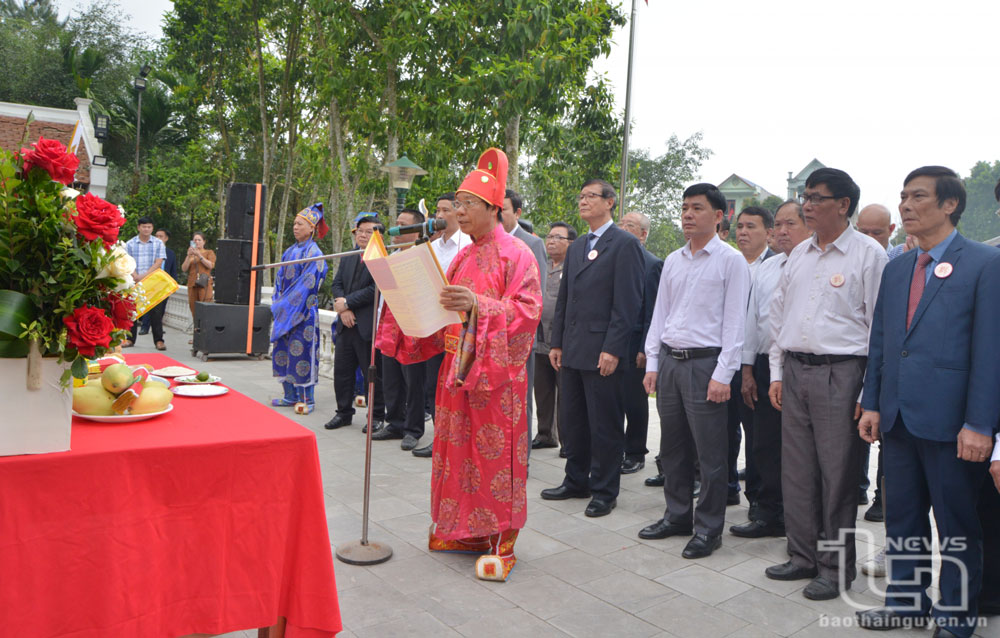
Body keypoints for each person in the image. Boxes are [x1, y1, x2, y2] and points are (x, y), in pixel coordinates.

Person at [375, 148, 541, 581]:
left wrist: (479, 306)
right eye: (458, 205)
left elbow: (527, 311)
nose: (459, 212)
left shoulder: (517, 254)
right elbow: (447, 308)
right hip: (457, 371)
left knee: (492, 455)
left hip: (496, 379)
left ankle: (502, 537)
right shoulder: (465, 256)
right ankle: (466, 529)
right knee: (458, 453)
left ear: (493, 208)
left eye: (468, 205)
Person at [855, 166, 1000, 636]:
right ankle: (906, 603)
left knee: (957, 527)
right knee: (901, 520)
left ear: (950, 205)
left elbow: (989, 353)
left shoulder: (983, 263)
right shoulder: (897, 267)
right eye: (903, 196)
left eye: (918, 197)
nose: (906, 205)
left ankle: (956, 618)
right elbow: (882, 342)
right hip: (897, 420)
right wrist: (873, 402)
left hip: (953, 424)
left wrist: (981, 424)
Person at [764, 168, 888, 600]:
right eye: (805, 197)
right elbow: (780, 316)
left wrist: (868, 391)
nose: (807, 205)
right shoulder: (799, 254)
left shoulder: (868, 255)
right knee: (796, 471)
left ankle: (835, 569)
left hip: (842, 373)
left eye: (817, 198)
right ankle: (802, 556)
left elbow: (879, 331)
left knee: (837, 478)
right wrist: (777, 373)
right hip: (796, 370)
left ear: (843, 205)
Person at [636, 183, 750, 560]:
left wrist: (723, 374)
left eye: (697, 208)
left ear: (719, 217)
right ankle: (677, 515)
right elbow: (660, 316)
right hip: (670, 362)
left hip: (706, 365)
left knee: (711, 453)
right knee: (673, 446)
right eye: (684, 207)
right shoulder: (673, 259)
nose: (687, 214)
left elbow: (736, 323)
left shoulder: (730, 261)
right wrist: (653, 362)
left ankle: (708, 528)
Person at [541, 179, 643, 519]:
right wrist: (556, 342)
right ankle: (576, 479)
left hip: (603, 351)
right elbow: (566, 297)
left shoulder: (624, 244)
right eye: (581, 196)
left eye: (591, 197)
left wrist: (613, 348)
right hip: (572, 348)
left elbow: (627, 303)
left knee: (604, 424)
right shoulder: (579, 243)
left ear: (610, 202)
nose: (583, 201)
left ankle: (603, 489)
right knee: (573, 421)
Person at [730, 201, 811, 539]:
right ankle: (767, 512)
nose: (781, 231)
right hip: (763, 364)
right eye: (778, 224)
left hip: (802, 364)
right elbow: (753, 320)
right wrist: (748, 369)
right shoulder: (767, 267)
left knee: (798, 449)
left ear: (809, 226)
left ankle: (801, 517)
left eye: (789, 224)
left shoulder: (812, 264)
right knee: (763, 443)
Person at [411, 193, 471, 458]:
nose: (440, 215)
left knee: (456, 386)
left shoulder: (469, 245)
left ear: (459, 212)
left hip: (460, 328)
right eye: (437, 210)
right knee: (433, 384)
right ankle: (439, 438)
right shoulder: (431, 247)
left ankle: (457, 442)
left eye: (446, 210)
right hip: (433, 327)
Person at [373, 208, 432, 451]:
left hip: (412, 326)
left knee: (413, 381)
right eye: (395, 223)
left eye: (402, 224)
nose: (395, 229)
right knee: (390, 378)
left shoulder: (423, 255)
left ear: (416, 230)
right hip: (390, 323)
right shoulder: (390, 254)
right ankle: (394, 422)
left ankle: (413, 428)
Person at [727, 206, 775, 507]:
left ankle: (759, 500)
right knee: (723, 430)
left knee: (758, 436)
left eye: (751, 227)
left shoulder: (775, 266)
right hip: (723, 360)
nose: (742, 232)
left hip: (758, 362)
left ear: (768, 233)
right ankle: (726, 487)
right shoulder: (729, 263)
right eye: (740, 227)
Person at [324, 215, 386, 430]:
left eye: (369, 231)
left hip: (367, 325)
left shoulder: (381, 258)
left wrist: (348, 302)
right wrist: (344, 309)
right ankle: (343, 412)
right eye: (360, 230)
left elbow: (375, 288)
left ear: (379, 236)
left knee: (372, 374)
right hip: (345, 323)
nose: (362, 234)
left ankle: (376, 416)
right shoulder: (350, 256)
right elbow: (337, 282)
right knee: (342, 372)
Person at [270, 203, 329, 415]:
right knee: (283, 353)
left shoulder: (315, 253)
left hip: (303, 314)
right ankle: (289, 395)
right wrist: (277, 302)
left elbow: (308, 285)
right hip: (284, 312)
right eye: (294, 223)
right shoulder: (289, 251)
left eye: (300, 224)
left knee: (302, 354)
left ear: (311, 228)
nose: (295, 227)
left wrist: (285, 306)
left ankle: (307, 400)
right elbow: (279, 280)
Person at [617, 211, 663, 475]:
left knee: (634, 400)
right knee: (613, 399)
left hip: (636, 342)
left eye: (630, 225)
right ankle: (616, 447)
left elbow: (653, 310)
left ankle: (635, 452)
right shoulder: (613, 257)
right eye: (622, 223)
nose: (623, 228)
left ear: (643, 234)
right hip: (612, 341)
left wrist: (645, 347)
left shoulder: (652, 264)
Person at [502, 189, 548, 452]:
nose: (497, 215)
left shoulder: (531, 243)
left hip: (518, 336)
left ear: (517, 213)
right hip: (489, 335)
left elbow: (536, 297)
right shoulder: (484, 243)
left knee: (520, 400)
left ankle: (521, 458)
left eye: (503, 210)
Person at [532, 221, 576, 454]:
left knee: (566, 394)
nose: (551, 241)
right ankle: (545, 433)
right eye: (549, 236)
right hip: (539, 338)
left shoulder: (574, 268)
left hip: (562, 342)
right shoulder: (541, 265)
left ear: (571, 243)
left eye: (558, 237)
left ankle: (568, 441)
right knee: (542, 389)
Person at [123, 216, 166, 350]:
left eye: (149, 227)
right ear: (138, 227)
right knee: (132, 312)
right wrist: (134, 275)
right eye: (144, 226)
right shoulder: (130, 244)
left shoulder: (158, 243)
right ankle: (130, 339)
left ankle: (159, 340)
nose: (146, 229)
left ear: (152, 228)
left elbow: (159, 262)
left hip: (153, 282)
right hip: (134, 281)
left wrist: (143, 276)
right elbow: (126, 262)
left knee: (156, 313)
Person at [181, 231, 216, 341]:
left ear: (204, 242)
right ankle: (196, 336)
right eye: (195, 240)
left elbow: (210, 265)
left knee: (205, 309)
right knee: (194, 309)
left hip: (204, 284)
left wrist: (199, 255)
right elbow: (184, 268)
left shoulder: (209, 252)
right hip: (192, 284)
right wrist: (188, 256)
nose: (197, 242)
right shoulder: (191, 255)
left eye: (199, 240)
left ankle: (205, 335)